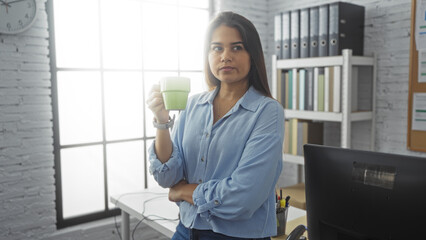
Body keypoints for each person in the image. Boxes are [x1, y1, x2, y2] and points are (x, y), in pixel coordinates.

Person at [146, 11, 284, 240]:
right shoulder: (192, 106)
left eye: (237, 47)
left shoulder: (267, 111)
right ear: (208, 55)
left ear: (253, 55)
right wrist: (162, 121)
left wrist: (185, 191)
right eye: (217, 48)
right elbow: (167, 178)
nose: (225, 56)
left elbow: (244, 197)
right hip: (186, 230)